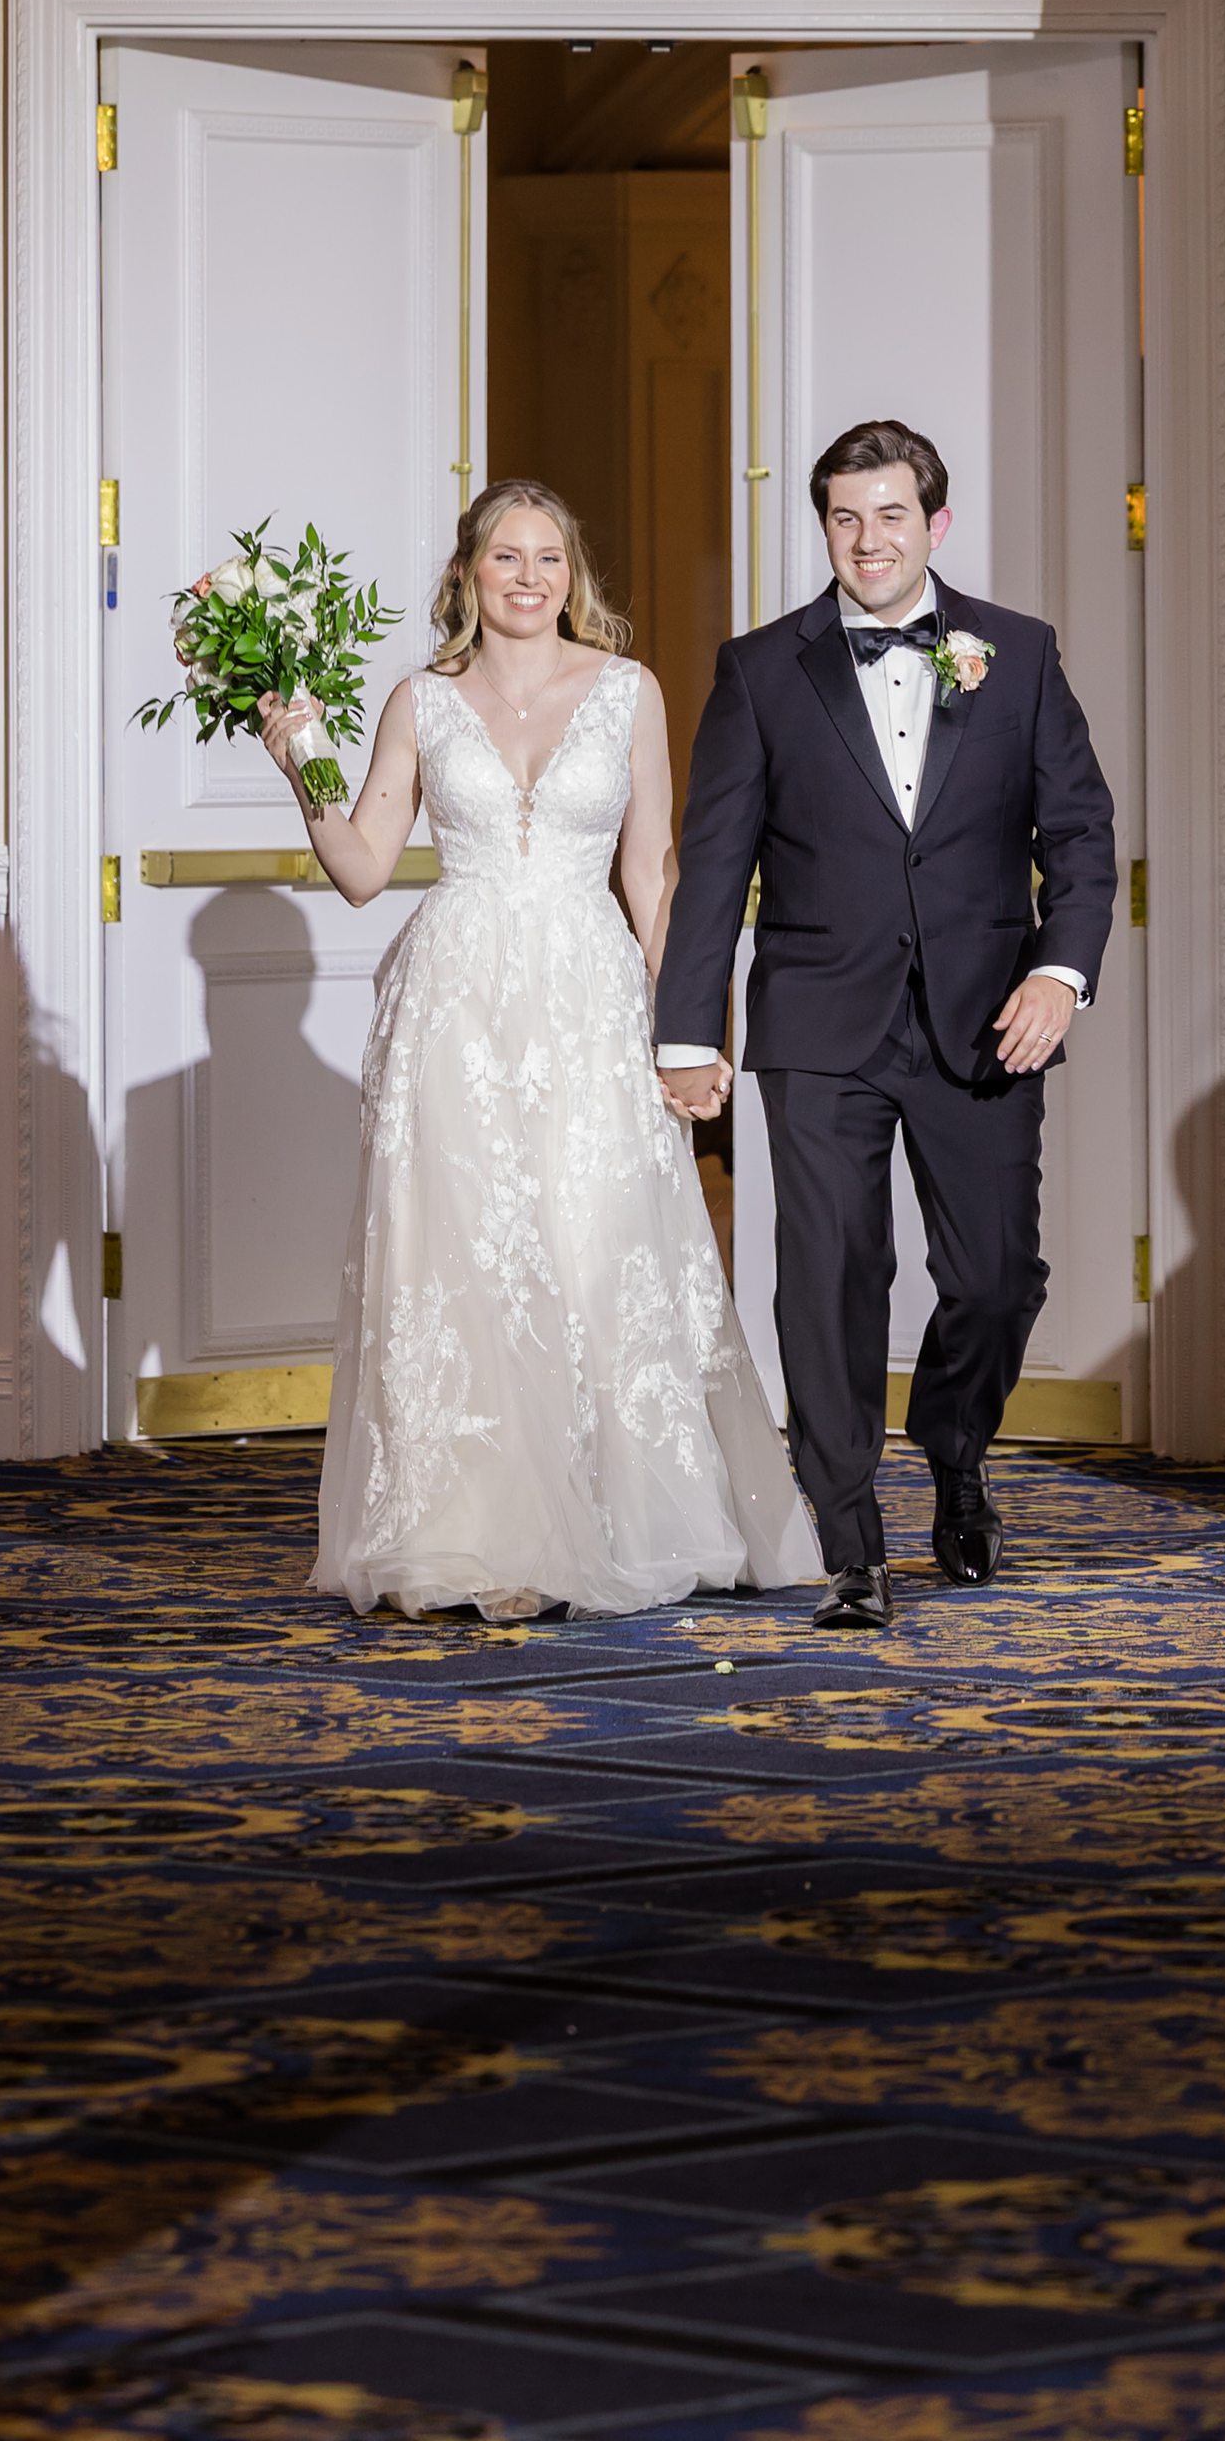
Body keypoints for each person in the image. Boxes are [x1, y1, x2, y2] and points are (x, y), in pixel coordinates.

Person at [259, 480, 819, 1622]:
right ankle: (473, 1534)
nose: (528, 577)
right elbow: (365, 869)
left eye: (549, 558)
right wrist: (302, 760)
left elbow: (653, 875)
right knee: (463, 1259)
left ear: (575, 575)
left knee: (595, 1241)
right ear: (467, 573)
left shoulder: (626, 692)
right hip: (454, 1008)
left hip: (589, 998)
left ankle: (629, 1515)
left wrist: (687, 1033)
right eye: (505, 557)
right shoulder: (420, 699)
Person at [652, 421, 1117, 1630]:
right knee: (829, 1280)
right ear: (825, 530)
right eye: (846, 519)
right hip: (817, 1024)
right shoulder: (761, 671)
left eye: (891, 516)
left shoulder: (1015, 655)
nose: (868, 541)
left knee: (997, 1277)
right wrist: (686, 1033)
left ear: (937, 524)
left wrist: (1060, 974)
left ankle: (955, 1452)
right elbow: (713, 867)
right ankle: (850, 1539)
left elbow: (1078, 837)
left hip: (986, 1022)